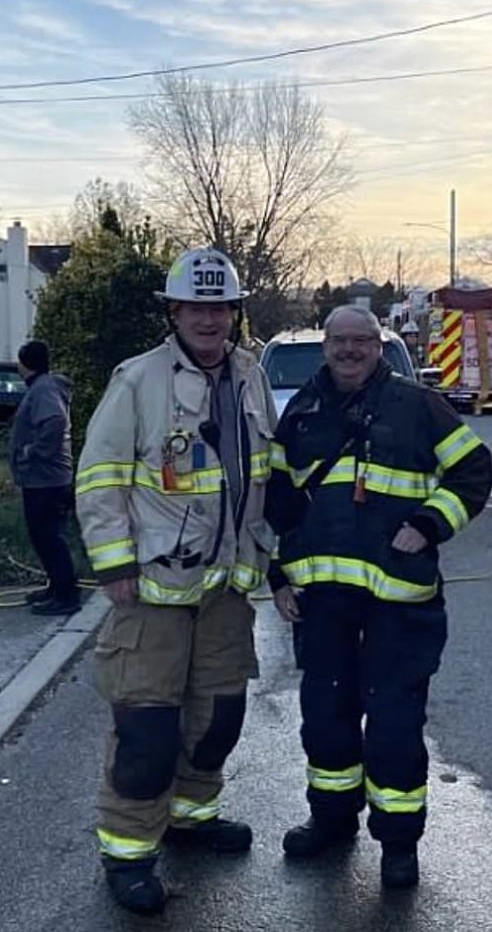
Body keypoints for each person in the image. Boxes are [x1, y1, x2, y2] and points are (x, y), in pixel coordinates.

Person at [74, 247, 277, 916]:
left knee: (217, 720)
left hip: (224, 593)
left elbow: (263, 476)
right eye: (196, 306)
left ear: (233, 314)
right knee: (147, 736)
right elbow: (100, 477)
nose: (209, 319)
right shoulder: (138, 381)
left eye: (219, 307)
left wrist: (273, 561)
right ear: (174, 312)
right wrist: (114, 563)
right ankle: (128, 855)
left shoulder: (251, 378)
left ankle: (192, 818)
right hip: (153, 593)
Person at [266, 304, 492, 889]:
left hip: (399, 600)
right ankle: (331, 820)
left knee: (393, 725)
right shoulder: (302, 413)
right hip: (322, 601)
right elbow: (280, 505)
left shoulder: (417, 406)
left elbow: (473, 469)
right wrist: (279, 575)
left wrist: (429, 524)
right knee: (326, 718)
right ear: (325, 347)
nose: (349, 350)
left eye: (360, 340)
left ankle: (398, 844)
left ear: (377, 345)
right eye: (338, 340)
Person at [8, 339, 80, 616]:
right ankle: (57, 587)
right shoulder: (43, 387)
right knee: (45, 537)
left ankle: (66, 596)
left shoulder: (44, 389)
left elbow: (55, 421)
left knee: (49, 537)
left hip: (46, 481)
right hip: (43, 479)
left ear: (23, 363)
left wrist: (32, 451)